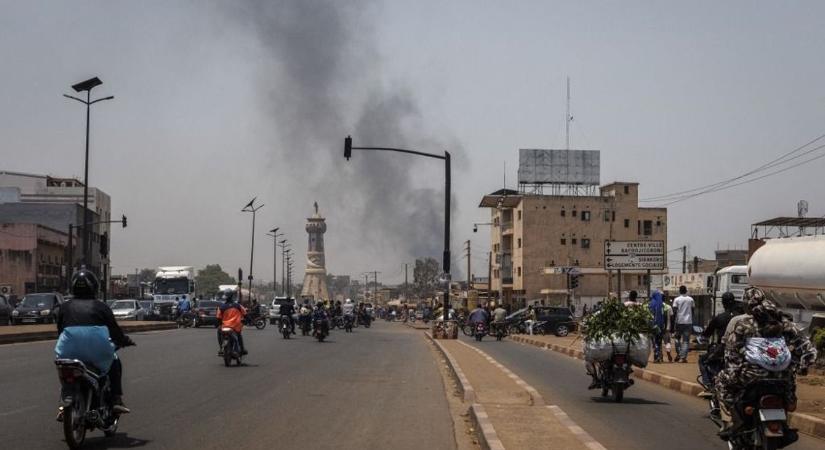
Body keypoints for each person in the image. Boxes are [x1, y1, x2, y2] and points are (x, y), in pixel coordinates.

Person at [715, 287, 817, 441]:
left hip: (750, 377)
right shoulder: (786, 323)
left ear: (746, 305)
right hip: (783, 378)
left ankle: (731, 421)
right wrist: (800, 367)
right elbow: (809, 350)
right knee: (790, 389)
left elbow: (731, 352)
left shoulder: (744, 324)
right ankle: (786, 418)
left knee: (721, 381)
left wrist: (735, 371)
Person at [55, 268, 135, 414]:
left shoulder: (64, 307)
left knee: (65, 370)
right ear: (94, 287)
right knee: (115, 361)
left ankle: (65, 394)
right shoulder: (101, 307)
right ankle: (116, 398)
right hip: (97, 352)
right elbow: (115, 332)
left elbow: (60, 330)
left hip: (67, 350)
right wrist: (125, 341)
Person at [697, 292, 738, 394]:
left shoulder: (720, 317)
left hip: (723, 348)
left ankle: (708, 385)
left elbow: (707, 333)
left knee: (703, 360)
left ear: (723, 303)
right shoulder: (740, 317)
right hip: (740, 349)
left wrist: (703, 336)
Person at [216, 290, 247, 356]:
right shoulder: (238, 306)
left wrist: (220, 325)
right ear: (232, 297)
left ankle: (221, 348)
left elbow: (218, 318)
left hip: (224, 327)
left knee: (219, 333)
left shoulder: (221, 307)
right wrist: (247, 320)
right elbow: (245, 314)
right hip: (236, 327)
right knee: (239, 336)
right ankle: (242, 349)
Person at [672, 286, 694, 363]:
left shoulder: (676, 299)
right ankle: (682, 357)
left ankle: (679, 354)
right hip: (688, 322)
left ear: (679, 291)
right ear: (686, 291)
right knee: (686, 341)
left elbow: (674, 312)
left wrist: (673, 323)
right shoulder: (690, 299)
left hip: (679, 322)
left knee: (677, 338)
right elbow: (692, 310)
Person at [648, 288, 666, 363]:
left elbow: (650, 315)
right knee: (659, 341)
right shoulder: (661, 304)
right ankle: (660, 356)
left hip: (653, 325)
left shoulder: (652, 303)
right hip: (661, 325)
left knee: (654, 342)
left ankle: (656, 357)